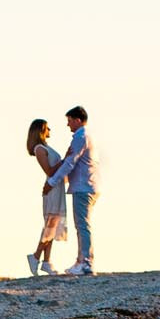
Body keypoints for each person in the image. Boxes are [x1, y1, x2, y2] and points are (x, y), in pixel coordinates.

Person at [42, 106, 98, 275]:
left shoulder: (81, 137)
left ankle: (86, 263)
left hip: (83, 187)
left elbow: (70, 162)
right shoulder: (84, 136)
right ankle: (81, 261)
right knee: (81, 224)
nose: (68, 125)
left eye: (70, 121)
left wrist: (52, 181)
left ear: (78, 120)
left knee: (82, 225)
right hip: (86, 185)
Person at [26, 118, 66, 275]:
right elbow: (49, 171)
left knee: (53, 225)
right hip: (52, 190)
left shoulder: (46, 147)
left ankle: (47, 261)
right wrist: (64, 161)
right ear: (41, 130)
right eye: (48, 128)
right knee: (50, 224)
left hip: (57, 187)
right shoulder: (39, 149)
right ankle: (36, 256)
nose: (50, 130)